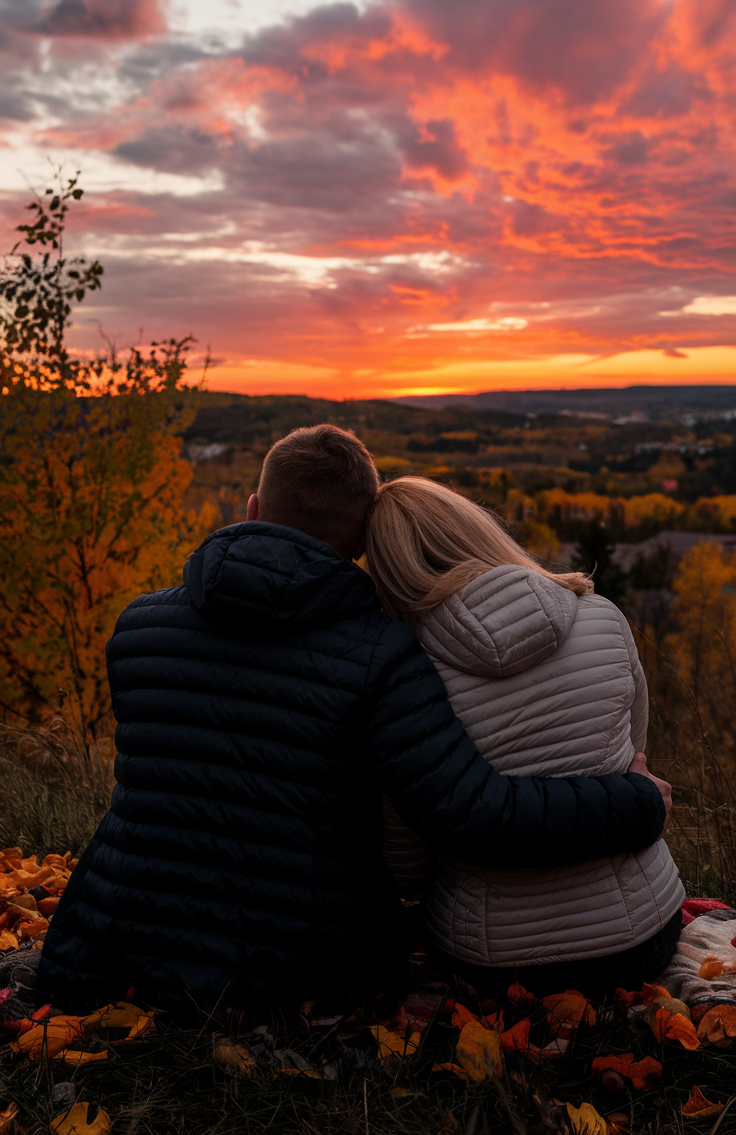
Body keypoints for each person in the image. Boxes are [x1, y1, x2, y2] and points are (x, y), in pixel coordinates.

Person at [38, 426, 671, 1014]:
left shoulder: (136, 629)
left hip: (123, 944)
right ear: (362, 547)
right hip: (300, 971)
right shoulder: (380, 654)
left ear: (253, 508)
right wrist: (639, 801)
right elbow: (472, 814)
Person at [366, 476, 684, 1000]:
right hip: (642, 936)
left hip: (492, 961)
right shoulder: (603, 616)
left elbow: (407, 869)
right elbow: (636, 765)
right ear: (478, 529)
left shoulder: (407, 678)